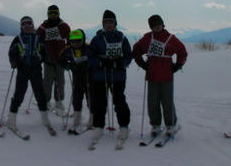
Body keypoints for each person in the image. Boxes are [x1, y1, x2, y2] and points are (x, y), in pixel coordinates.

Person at [132, 14, 187, 136]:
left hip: (167, 75)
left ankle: (171, 125)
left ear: (163, 24)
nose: (157, 27)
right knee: (153, 101)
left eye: (158, 24)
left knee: (167, 101)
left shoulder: (170, 38)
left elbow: (182, 52)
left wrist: (178, 65)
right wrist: (142, 64)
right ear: (151, 27)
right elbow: (136, 50)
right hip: (152, 75)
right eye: (154, 25)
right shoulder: (147, 38)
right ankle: (155, 125)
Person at [88, 10, 132, 143]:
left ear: (115, 23)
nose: (108, 25)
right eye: (106, 22)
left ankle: (124, 126)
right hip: (100, 76)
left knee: (119, 101)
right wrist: (100, 62)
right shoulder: (97, 39)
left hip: (117, 76)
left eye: (111, 22)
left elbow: (128, 55)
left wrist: (121, 63)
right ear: (102, 24)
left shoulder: (122, 38)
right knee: (99, 102)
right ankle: (99, 126)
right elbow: (90, 56)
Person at [8, 16, 54, 133]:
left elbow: (44, 52)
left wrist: (48, 60)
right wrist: (13, 62)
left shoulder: (38, 38)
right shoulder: (18, 39)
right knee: (19, 93)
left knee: (40, 93)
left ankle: (45, 118)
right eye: (24, 24)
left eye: (29, 24)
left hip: (36, 69)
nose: (27, 27)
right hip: (22, 69)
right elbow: (11, 52)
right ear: (21, 27)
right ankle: (12, 118)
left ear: (33, 25)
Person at [37, 5, 71, 116]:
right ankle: (46, 101)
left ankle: (59, 101)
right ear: (47, 14)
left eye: (55, 13)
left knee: (60, 81)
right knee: (47, 81)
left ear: (58, 13)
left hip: (60, 59)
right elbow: (38, 40)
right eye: (51, 13)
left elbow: (69, 41)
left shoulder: (64, 26)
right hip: (48, 59)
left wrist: (68, 54)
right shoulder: (43, 27)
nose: (53, 15)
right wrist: (42, 53)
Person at [58, 29, 93, 134]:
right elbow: (60, 59)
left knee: (90, 97)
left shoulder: (88, 48)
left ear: (82, 40)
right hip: (76, 77)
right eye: (73, 41)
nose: (76, 43)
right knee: (77, 96)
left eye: (78, 40)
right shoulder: (68, 49)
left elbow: (95, 58)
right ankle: (77, 116)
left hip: (89, 77)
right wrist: (66, 65)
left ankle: (92, 118)